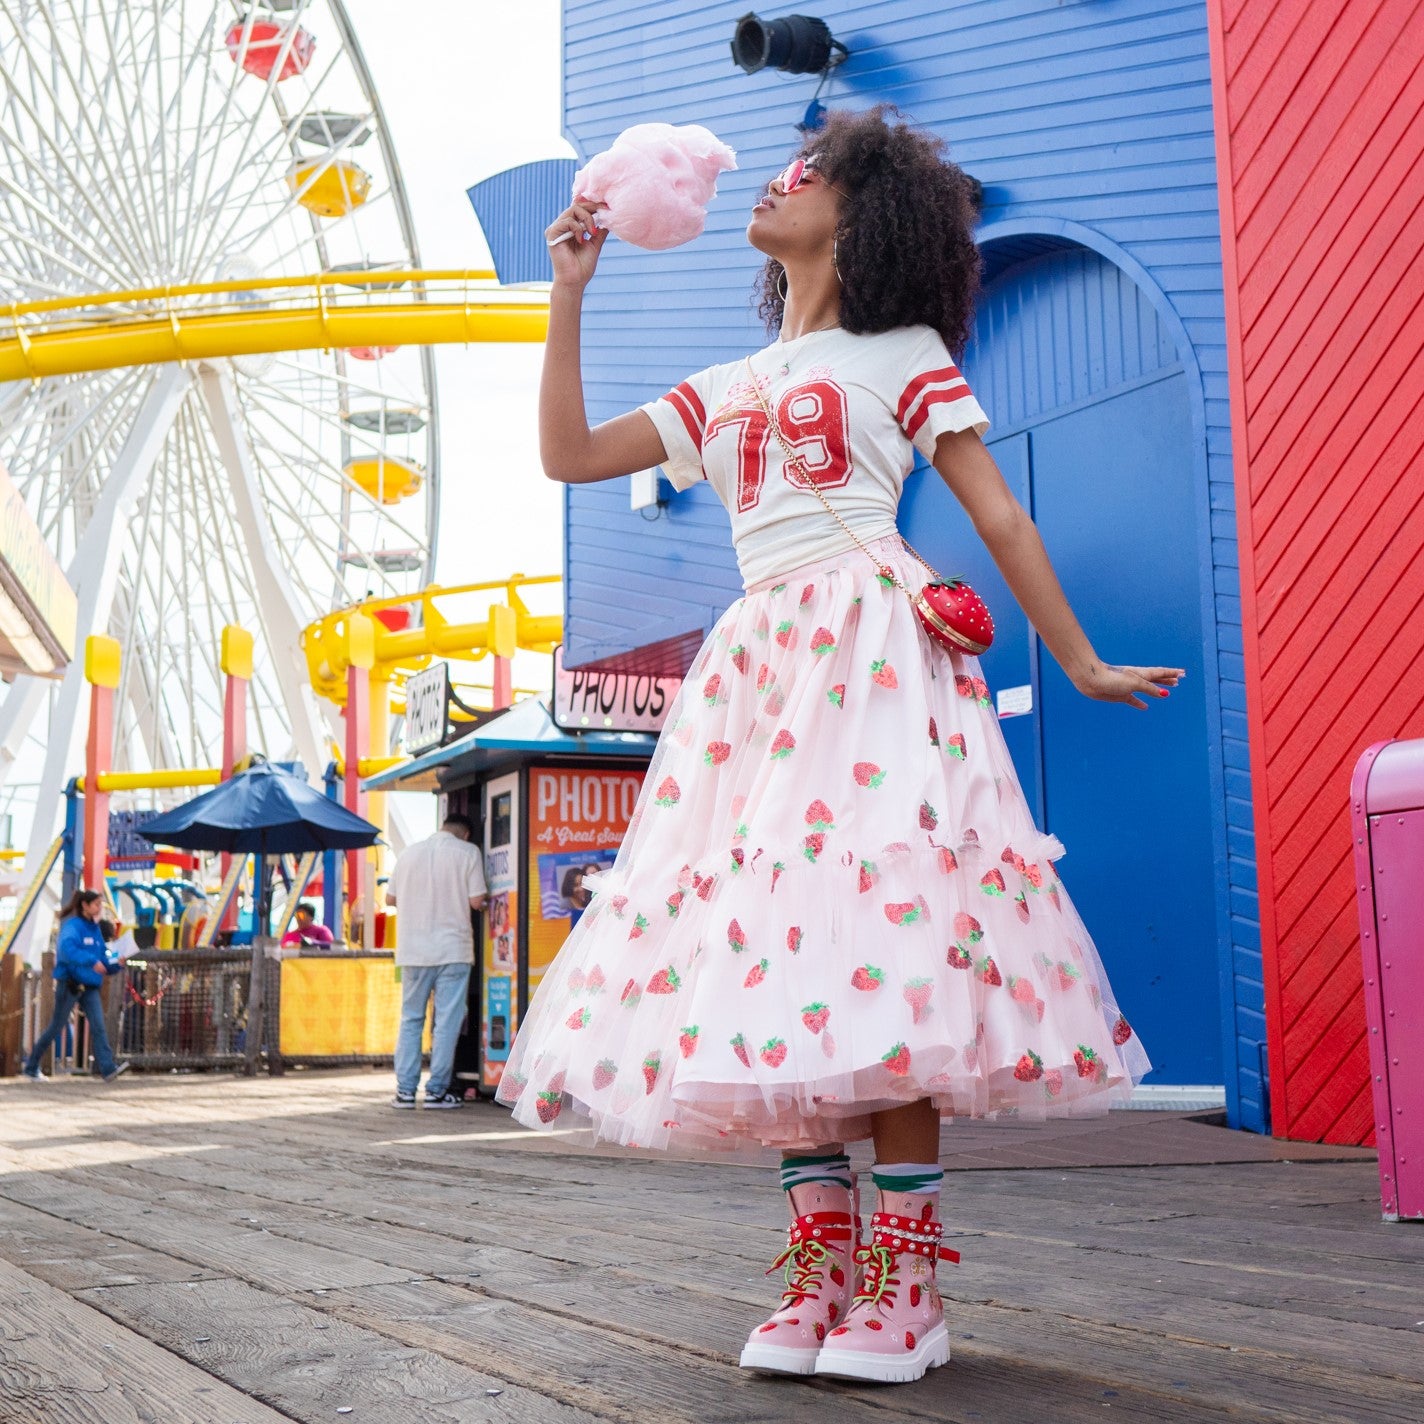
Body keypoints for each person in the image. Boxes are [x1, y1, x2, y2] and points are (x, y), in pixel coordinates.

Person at [495, 106, 1186, 1386]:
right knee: (772, 947)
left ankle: (905, 1288)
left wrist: (1079, 657)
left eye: (801, 173)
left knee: (885, 934)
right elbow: (567, 454)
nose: (769, 185)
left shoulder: (905, 354)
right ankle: (818, 1271)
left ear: (861, 213)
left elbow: (1001, 515)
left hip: (868, 651)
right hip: (758, 670)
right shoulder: (723, 385)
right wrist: (569, 292)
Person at [385, 812, 487, 1109]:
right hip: (452, 950)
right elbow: (477, 901)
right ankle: (437, 1092)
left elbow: (390, 899)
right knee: (446, 1022)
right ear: (465, 833)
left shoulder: (407, 854)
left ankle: (405, 1092)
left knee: (411, 1019)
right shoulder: (468, 852)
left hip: (413, 951)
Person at [22, 889, 130, 1082]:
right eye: (96, 904)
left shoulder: (94, 929)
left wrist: (116, 963)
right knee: (56, 1026)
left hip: (90, 986)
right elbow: (66, 950)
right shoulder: (73, 926)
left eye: (100, 904)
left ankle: (108, 1069)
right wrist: (91, 961)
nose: (99, 908)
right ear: (85, 905)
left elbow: (103, 957)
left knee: (98, 1026)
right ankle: (31, 1067)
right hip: (70, 984)